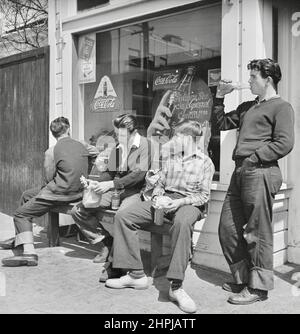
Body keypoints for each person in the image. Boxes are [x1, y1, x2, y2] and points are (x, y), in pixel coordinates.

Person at [104, 120, 215, 314]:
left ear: (188, 138)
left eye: (177, 136)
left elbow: (204, 196)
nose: (174, 139)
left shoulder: (205, 162)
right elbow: (161, 183)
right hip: (166, 199)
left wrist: (178, 203)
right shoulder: (171, 158)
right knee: (124, 215)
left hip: (189, 203)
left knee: (182, 222)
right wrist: (157, 196)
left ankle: (176, 287)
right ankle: (136, 274)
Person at [214, 58, 294, 305]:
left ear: (267, 79)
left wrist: (254, 158)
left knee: (258, 232)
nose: (248, 81)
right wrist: (219, 97)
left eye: (253, 77)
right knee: (227, 227)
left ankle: (258, 289)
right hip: (241, 172)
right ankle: (242, 278)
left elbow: (284, 142)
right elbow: (220, 123)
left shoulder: (281, 107)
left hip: (261, 171)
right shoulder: (248, 106)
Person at [0, 117, 89, 267]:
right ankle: (20, 239)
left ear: (53, 133)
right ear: (68, 129)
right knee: (26, 195)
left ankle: (29, 254)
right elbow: (91, 154)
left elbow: (48, 178)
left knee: (21, 214)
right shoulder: (82, 145)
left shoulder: (52, 151)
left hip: (59, 194)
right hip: (78, 192)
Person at [71, 114, 152, 263]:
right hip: (116, 190)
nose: (117, 137)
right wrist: (95, 183)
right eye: (116, 133)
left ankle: (118, 262)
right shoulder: (118, 147)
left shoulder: (145, 145)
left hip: (135, 192)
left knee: (123, 216)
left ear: (133, 132)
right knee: (79, 210)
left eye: (121, 134)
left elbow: (138, 175)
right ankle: (106, 243)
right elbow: (109, 173)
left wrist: (110, 185)